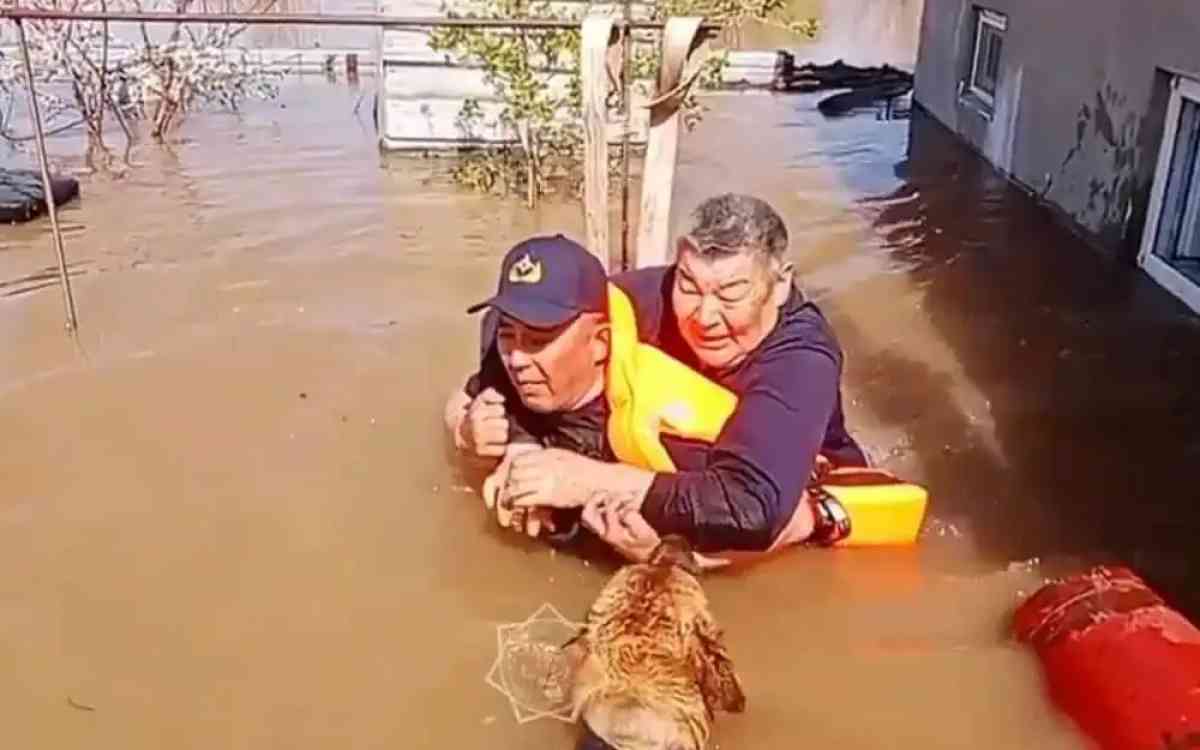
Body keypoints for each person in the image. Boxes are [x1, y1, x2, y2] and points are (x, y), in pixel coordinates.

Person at [448, 194, 867, 561]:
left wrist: (584, 481)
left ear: (779, 286)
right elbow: (518, 328)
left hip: (785, 509)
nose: (704, 317)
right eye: (689, 284)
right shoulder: (644, 298)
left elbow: (750, 510)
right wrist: (517, 449)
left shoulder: (802, 359)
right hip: (664, 484)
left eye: (730, 293)